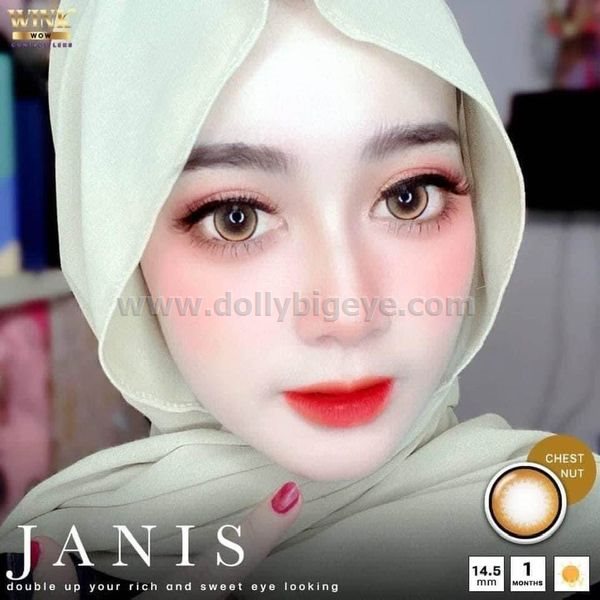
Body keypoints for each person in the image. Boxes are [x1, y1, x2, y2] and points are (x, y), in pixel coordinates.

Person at [1, 1, 599, 598]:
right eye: (235, 218)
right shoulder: (45, 565)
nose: (348, 315)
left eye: (409, 197)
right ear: (120, 250)